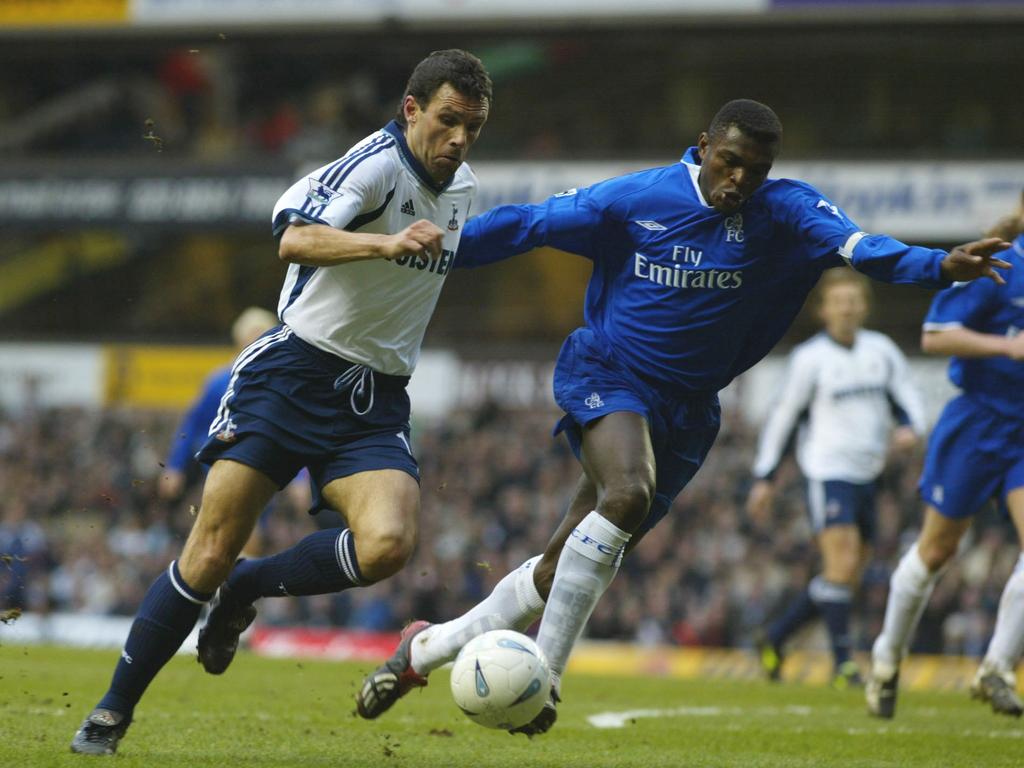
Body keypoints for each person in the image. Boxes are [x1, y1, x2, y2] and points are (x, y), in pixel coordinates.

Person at [355, 98, 1010, 735]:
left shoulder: (785, 211)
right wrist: (429, 249)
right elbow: (531, 224)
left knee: (561, 567)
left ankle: (422, 651)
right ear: (703, 149)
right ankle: (547, 678)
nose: (739, 181)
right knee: (626, 494)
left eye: (755, 170)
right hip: (608, 372)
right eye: (729, 163)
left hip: (690, 412)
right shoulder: (638, 199)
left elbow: (856, 246)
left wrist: (937, 265)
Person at [71, 49, 492, 756]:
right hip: (291, 375)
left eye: (473, 127)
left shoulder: (464, 189)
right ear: (412, 108)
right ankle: (111, 712)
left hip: (375, 397)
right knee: (207, 548)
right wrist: (383, 243)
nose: (459, 140)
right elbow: (293, 237)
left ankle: (247, 590)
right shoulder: (375, 165)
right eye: (449, 121)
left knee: (389, 543)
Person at [866, 209, 1024, 720]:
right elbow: (935, 334)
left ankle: (996, 667)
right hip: (978, 423)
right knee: (936, 551)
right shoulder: (1000, 263)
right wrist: (1007, 347)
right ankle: (887, 658)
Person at [747, 269, 925, 688]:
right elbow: (784, 417)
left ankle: (774, 637)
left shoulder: (880, 351)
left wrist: (911, 428)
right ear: (823, 310)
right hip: (828, 471)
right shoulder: (810, 358)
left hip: (870, 472)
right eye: (839, 301)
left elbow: (908, 397)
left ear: (864, 306)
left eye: (853, 300)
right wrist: (765, 476)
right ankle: (844, 664)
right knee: (841, 565)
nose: (847, 308)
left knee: (847, 574)